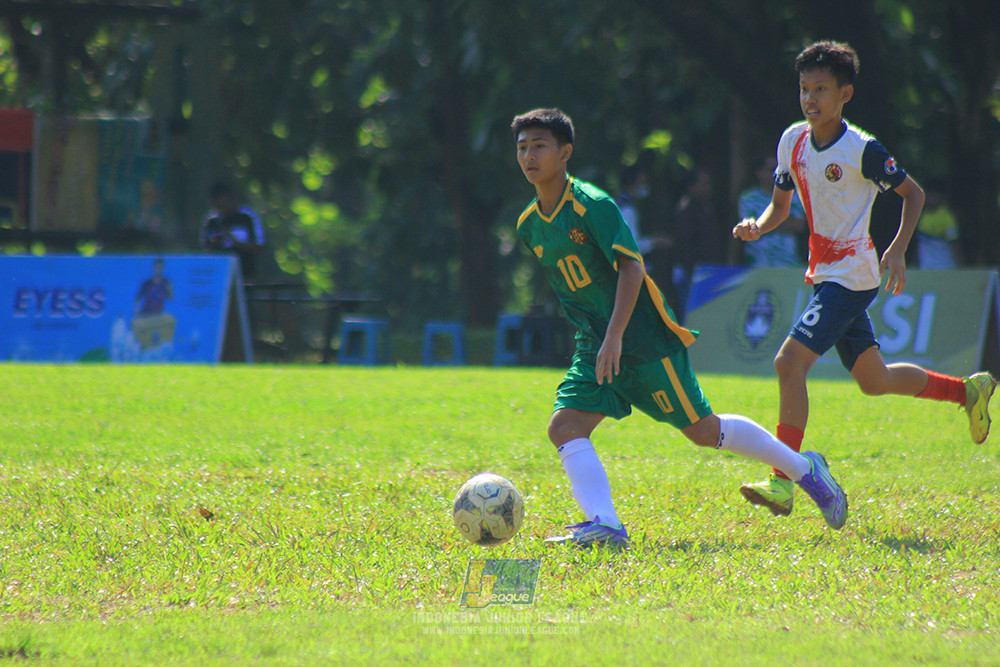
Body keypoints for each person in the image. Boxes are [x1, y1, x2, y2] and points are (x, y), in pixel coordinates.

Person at [510, 107, 848, 548]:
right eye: (521, 148)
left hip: (644, 340)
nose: (529, 156)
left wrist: (615, 337)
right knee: (565, 426)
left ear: (565, 152)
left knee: (703, 431)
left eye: (539, 145)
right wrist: (597, 339)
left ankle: (806, 471)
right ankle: (606, 525)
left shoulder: (592, 205)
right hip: (594, 343)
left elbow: (632, 271)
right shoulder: (527, 224)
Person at [732, 41, 996, 517]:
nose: (810, 99)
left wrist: (896, 250)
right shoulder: (792, 140)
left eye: (821, 89)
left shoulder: (862, 150)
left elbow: (912, 195)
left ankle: (784, 479)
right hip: (825, 275)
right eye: (804, 89)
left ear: (845, 94)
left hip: (851, 277)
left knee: (788, 365)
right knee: (874, 380)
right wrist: (759, 224)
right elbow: (780, 205)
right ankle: (967, 391)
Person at [671, 167, 723, 321]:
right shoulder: (686, 210)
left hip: (705, 272)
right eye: (704, 184)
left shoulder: (703, 208)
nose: (709, 187)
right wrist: (694, 272)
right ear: (691, 187)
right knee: (691, 318)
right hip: (693, 275)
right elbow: (685, 246)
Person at [738, 155, 807, 267]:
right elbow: (750, 229)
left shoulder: (793, 196)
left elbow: (799, 225)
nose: (777, 173)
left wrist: (763, 225)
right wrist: (783, 220)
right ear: (759, 172)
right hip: (758, 264)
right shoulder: (748, 198)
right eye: (772, 169)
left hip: (790, 263)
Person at [200, 181, 266, 281]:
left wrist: (236, 242)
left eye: (225, 204)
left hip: (245, 274)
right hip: (219, 275)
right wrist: (215, 245)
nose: (223, 209)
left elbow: (259, 246)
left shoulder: (247, 217)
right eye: (219, 207)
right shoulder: (211, 221)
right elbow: (204, 252)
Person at [615, 164, 671, 265]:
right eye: (641, 182)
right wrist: (654, 241)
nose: (645, 186)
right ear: (630, 185)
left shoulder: (619, 204)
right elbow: (631, 245)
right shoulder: (627, 209)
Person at [916, 181, 962, 269]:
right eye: (929, 195)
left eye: (934, 195)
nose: (931, 198)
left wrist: (960, 266)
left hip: (945, 266)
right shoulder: (922, 215)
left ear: (941, 197)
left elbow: (954, 243)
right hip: (925, 267)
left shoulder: (947, 217)